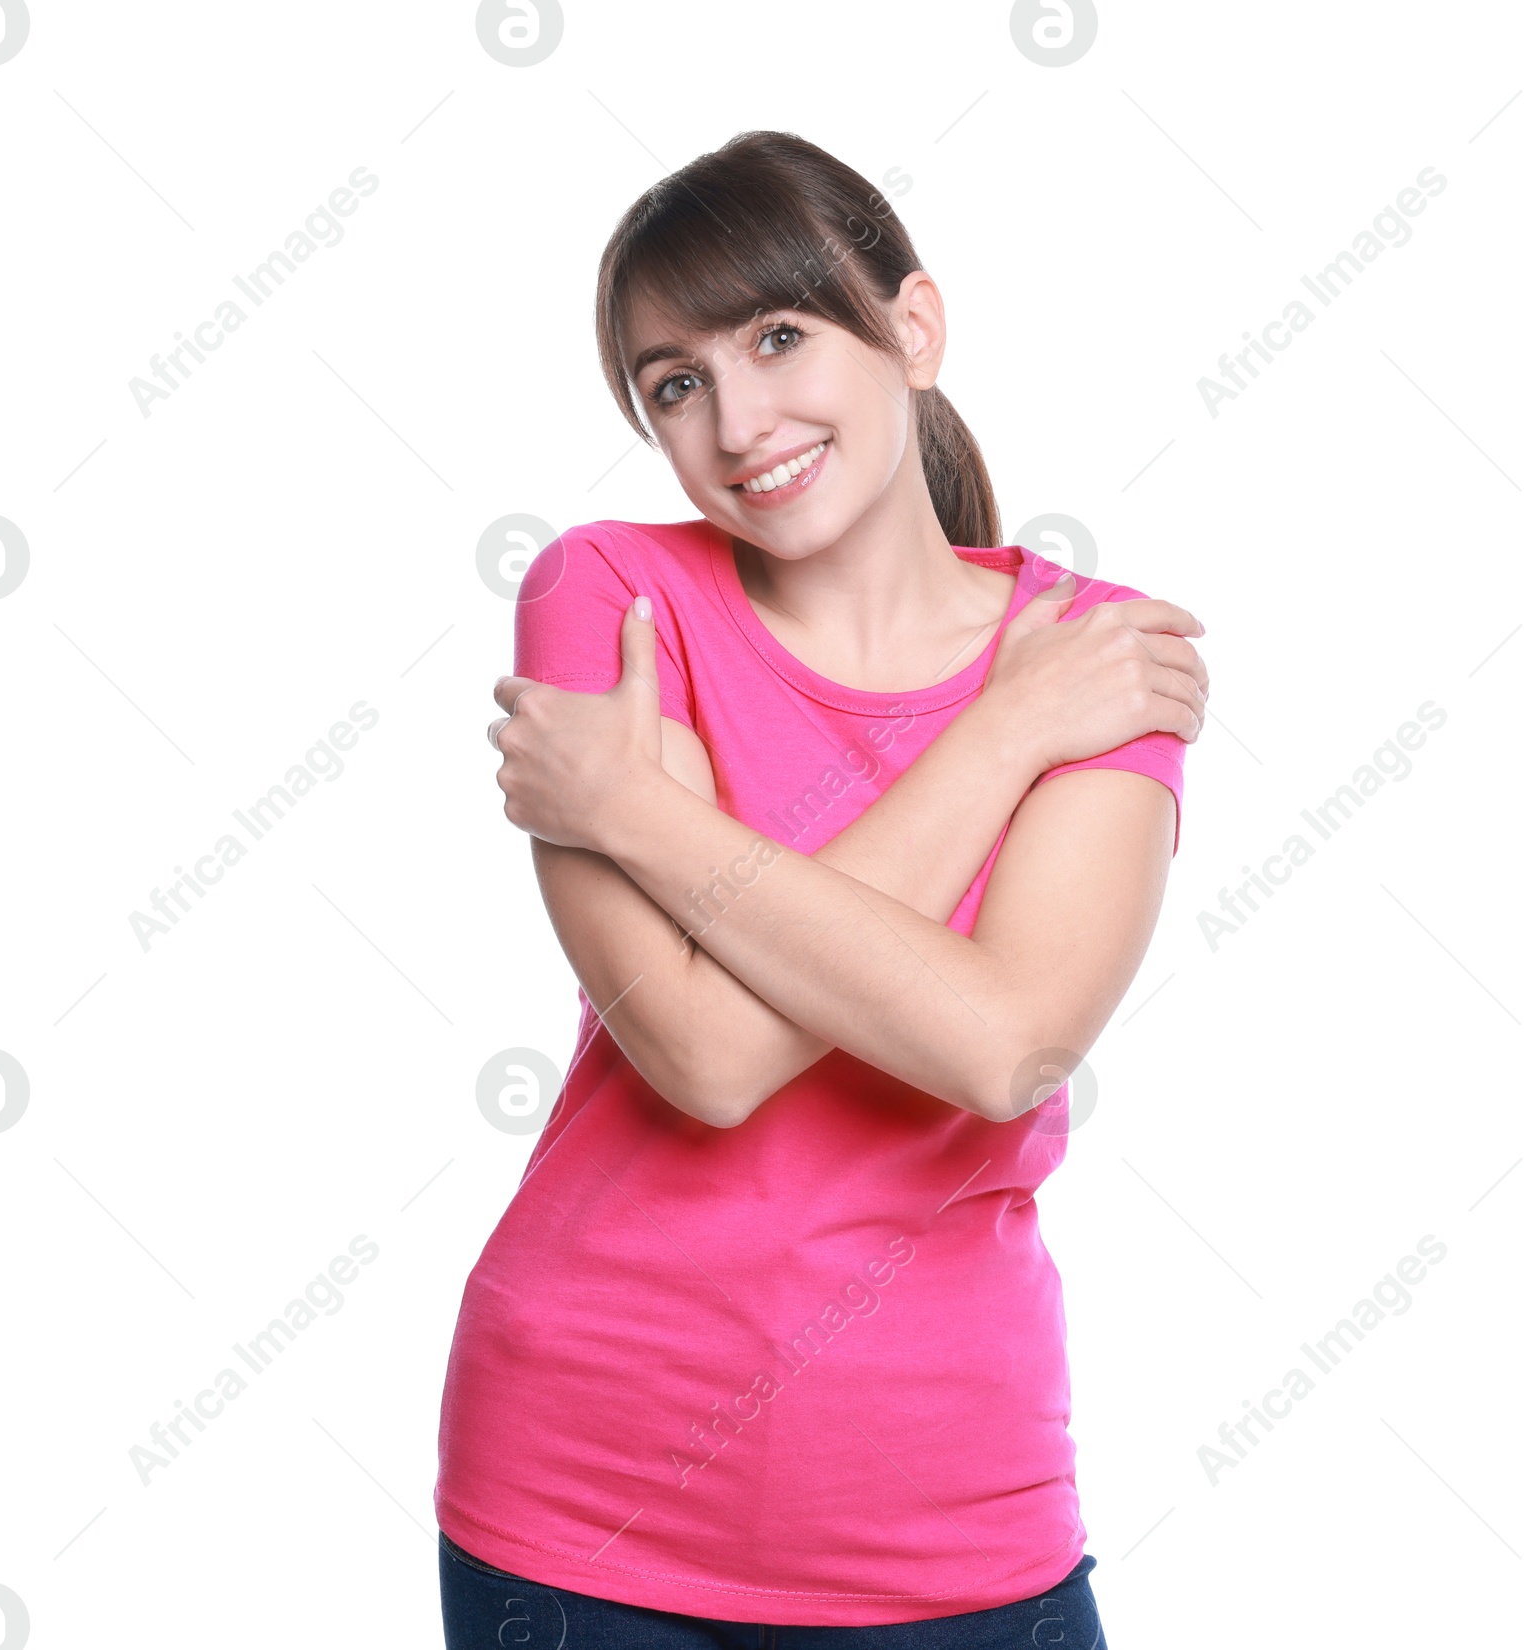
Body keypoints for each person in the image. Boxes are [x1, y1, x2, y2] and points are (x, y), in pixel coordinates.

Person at [437, 129, 1209, 1649]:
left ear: (911, 328)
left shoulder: (1096, 654)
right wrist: (1003, 740)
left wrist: (639, 813)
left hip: (953, 1519)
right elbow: (710, 1055)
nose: (737, 420)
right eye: (675, 382)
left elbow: (1005, 1045)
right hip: (583, 1501)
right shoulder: (609, 590)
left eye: (779, 335)